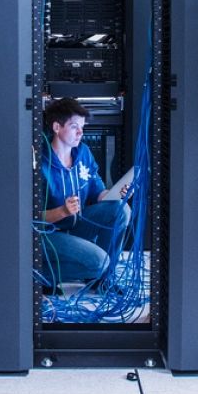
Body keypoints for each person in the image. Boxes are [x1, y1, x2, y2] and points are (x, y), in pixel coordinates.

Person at [41, 98, 131, 284]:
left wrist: (116, 194)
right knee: (99, 262)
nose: (81, 132)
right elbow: (30, 220)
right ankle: (41, 275)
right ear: (57, 127)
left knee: (120, 210)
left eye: (82, 127)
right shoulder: (39, 161)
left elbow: (98, 193)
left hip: (78, 226)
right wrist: (62, 212)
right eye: (74, 127)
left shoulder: (83, 153)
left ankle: (104, 281)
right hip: (49, 236)